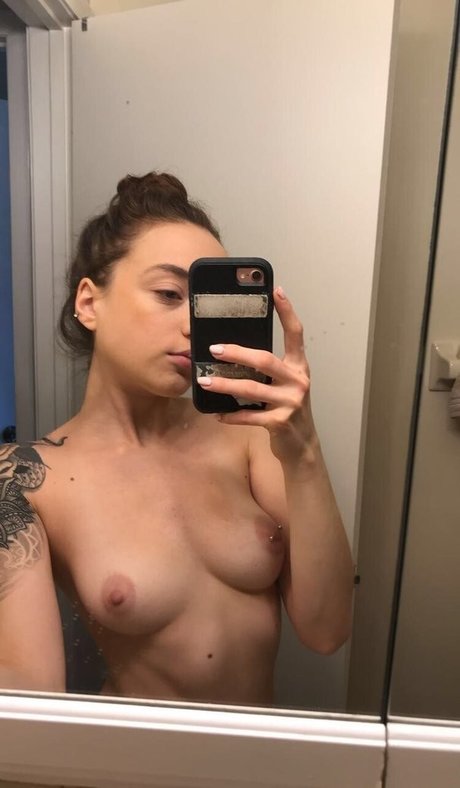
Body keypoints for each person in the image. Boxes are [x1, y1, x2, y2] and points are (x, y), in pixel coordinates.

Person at [0, 172, 354, 704]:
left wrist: (304, 451)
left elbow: (327, 631)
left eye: (207, 305)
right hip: (132, 754)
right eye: (168, 294)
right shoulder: (28, 478)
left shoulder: (250, 436)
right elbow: (33, 694)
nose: (193, 326)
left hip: (260, 752)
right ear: (89, 303)